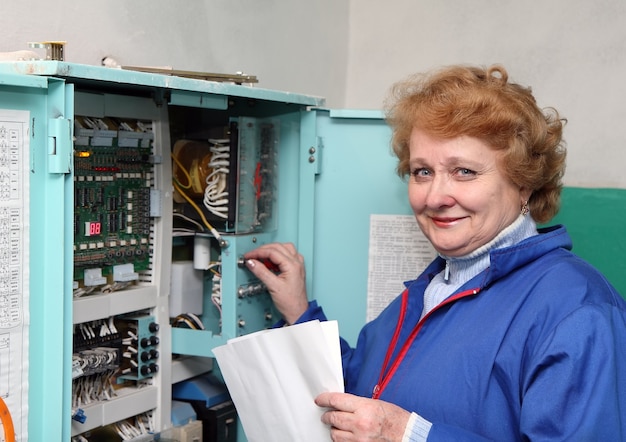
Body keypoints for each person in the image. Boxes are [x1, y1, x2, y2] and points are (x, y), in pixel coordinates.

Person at [243, 64, 626, 441]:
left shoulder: (578, 309)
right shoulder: (432, 287)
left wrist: (408, 435)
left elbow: (389, 423)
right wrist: (299, 312)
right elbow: (363, 393)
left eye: (464, 171)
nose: (435, 197)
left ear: (523, 185)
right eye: (422, 171)